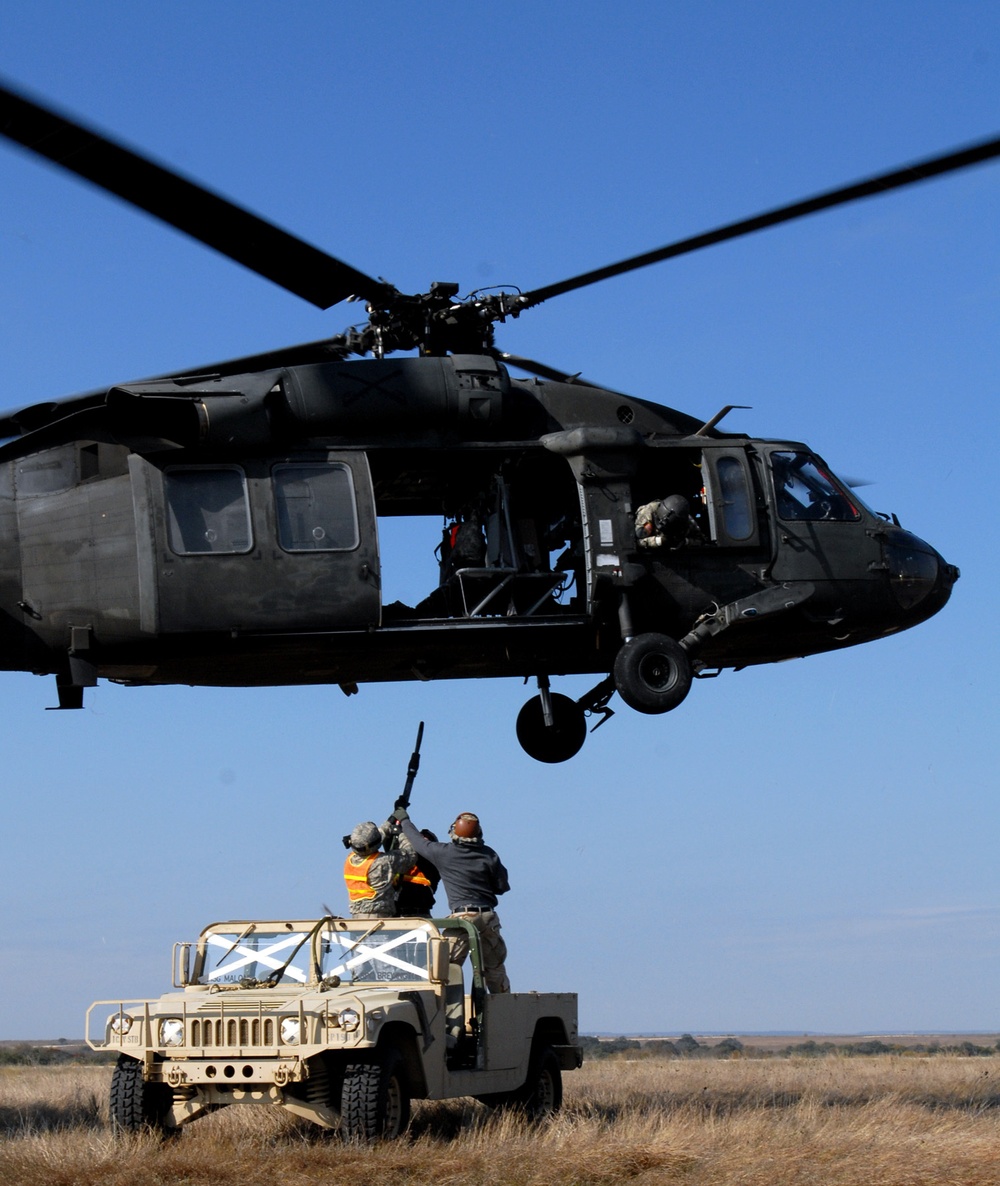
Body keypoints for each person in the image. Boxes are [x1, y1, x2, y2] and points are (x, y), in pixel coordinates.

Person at [392, 808, 510, 993]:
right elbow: (501, 887)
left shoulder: (444, 853)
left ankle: (443, 1012)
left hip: (462, 920)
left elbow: (417, 842)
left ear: (454, 831)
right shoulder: (489, 855)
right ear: (479, 834)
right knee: (494, 969)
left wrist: (404, 820)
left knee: (441, 967)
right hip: (488, 918)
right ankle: (502, 1011)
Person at [343, 820, 415, 919]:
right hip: (380, 921)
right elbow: (410, 855)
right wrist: (402, 834)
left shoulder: (350, 859)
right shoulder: (383, 862)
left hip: (357, 920)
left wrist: (390, 820)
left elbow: (371, 840)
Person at [395, 829, 441, 918]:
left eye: (426, 842)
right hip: (399, 914)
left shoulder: (433, 865)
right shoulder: (401, 862)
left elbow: (417, 856)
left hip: (421, 914)